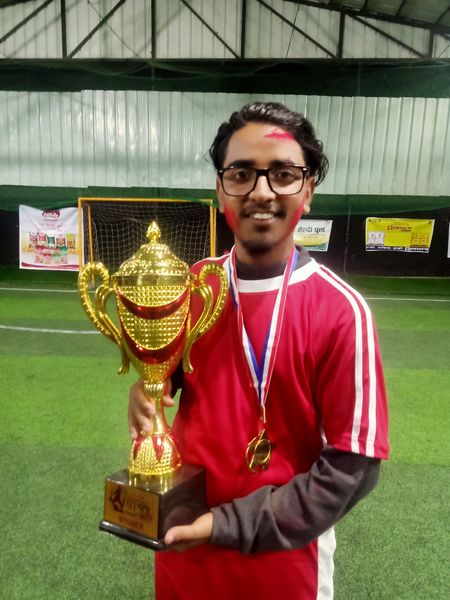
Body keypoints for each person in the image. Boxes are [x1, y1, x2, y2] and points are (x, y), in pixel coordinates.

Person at [128, 101, 389, 599]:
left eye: (283, 175)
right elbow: (169, 376)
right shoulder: (193, 286)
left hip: (283, 571)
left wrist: (226, 524)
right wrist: (148, 391)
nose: (262, 192)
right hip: (182, 559)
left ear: (308, 190)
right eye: (242, 173)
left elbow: (352, 471)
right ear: (220, 188)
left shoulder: (342, 312)